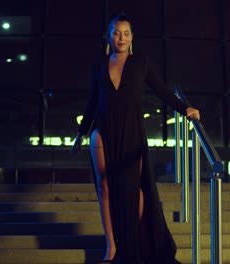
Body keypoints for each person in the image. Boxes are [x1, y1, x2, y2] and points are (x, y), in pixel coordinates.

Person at [71, 13, 200, 264]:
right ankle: (111, 245)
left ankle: (134, 242)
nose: (121, 38)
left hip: (131, 133)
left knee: (134, 189)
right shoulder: (99, 65)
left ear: (132, 37)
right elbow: (92, 102)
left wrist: (185, 108)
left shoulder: (141, 62)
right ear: (109, 36)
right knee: (104, 187)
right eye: (117, 33)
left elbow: (162, 90)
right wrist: (80, 133)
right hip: (102, 130)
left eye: (126, 33)